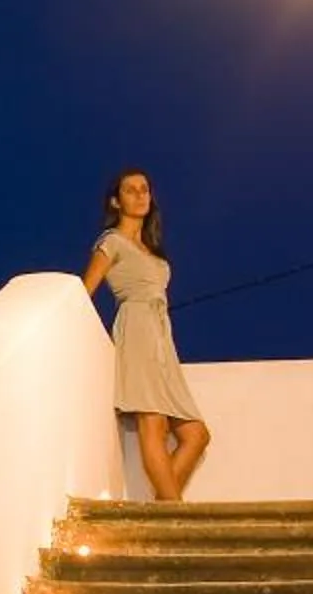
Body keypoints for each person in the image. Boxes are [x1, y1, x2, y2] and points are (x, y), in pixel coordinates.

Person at [80, 168, 213, 501]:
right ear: (116, 200)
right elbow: (84, 292)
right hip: (137, 328)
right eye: (130, 190)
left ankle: (162, 511)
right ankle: (178, 519)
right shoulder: (111, 242)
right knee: (152, 425)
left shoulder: (152, 249)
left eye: (145, 189)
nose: (140, 195)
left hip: (161, 339)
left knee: (196, 435)